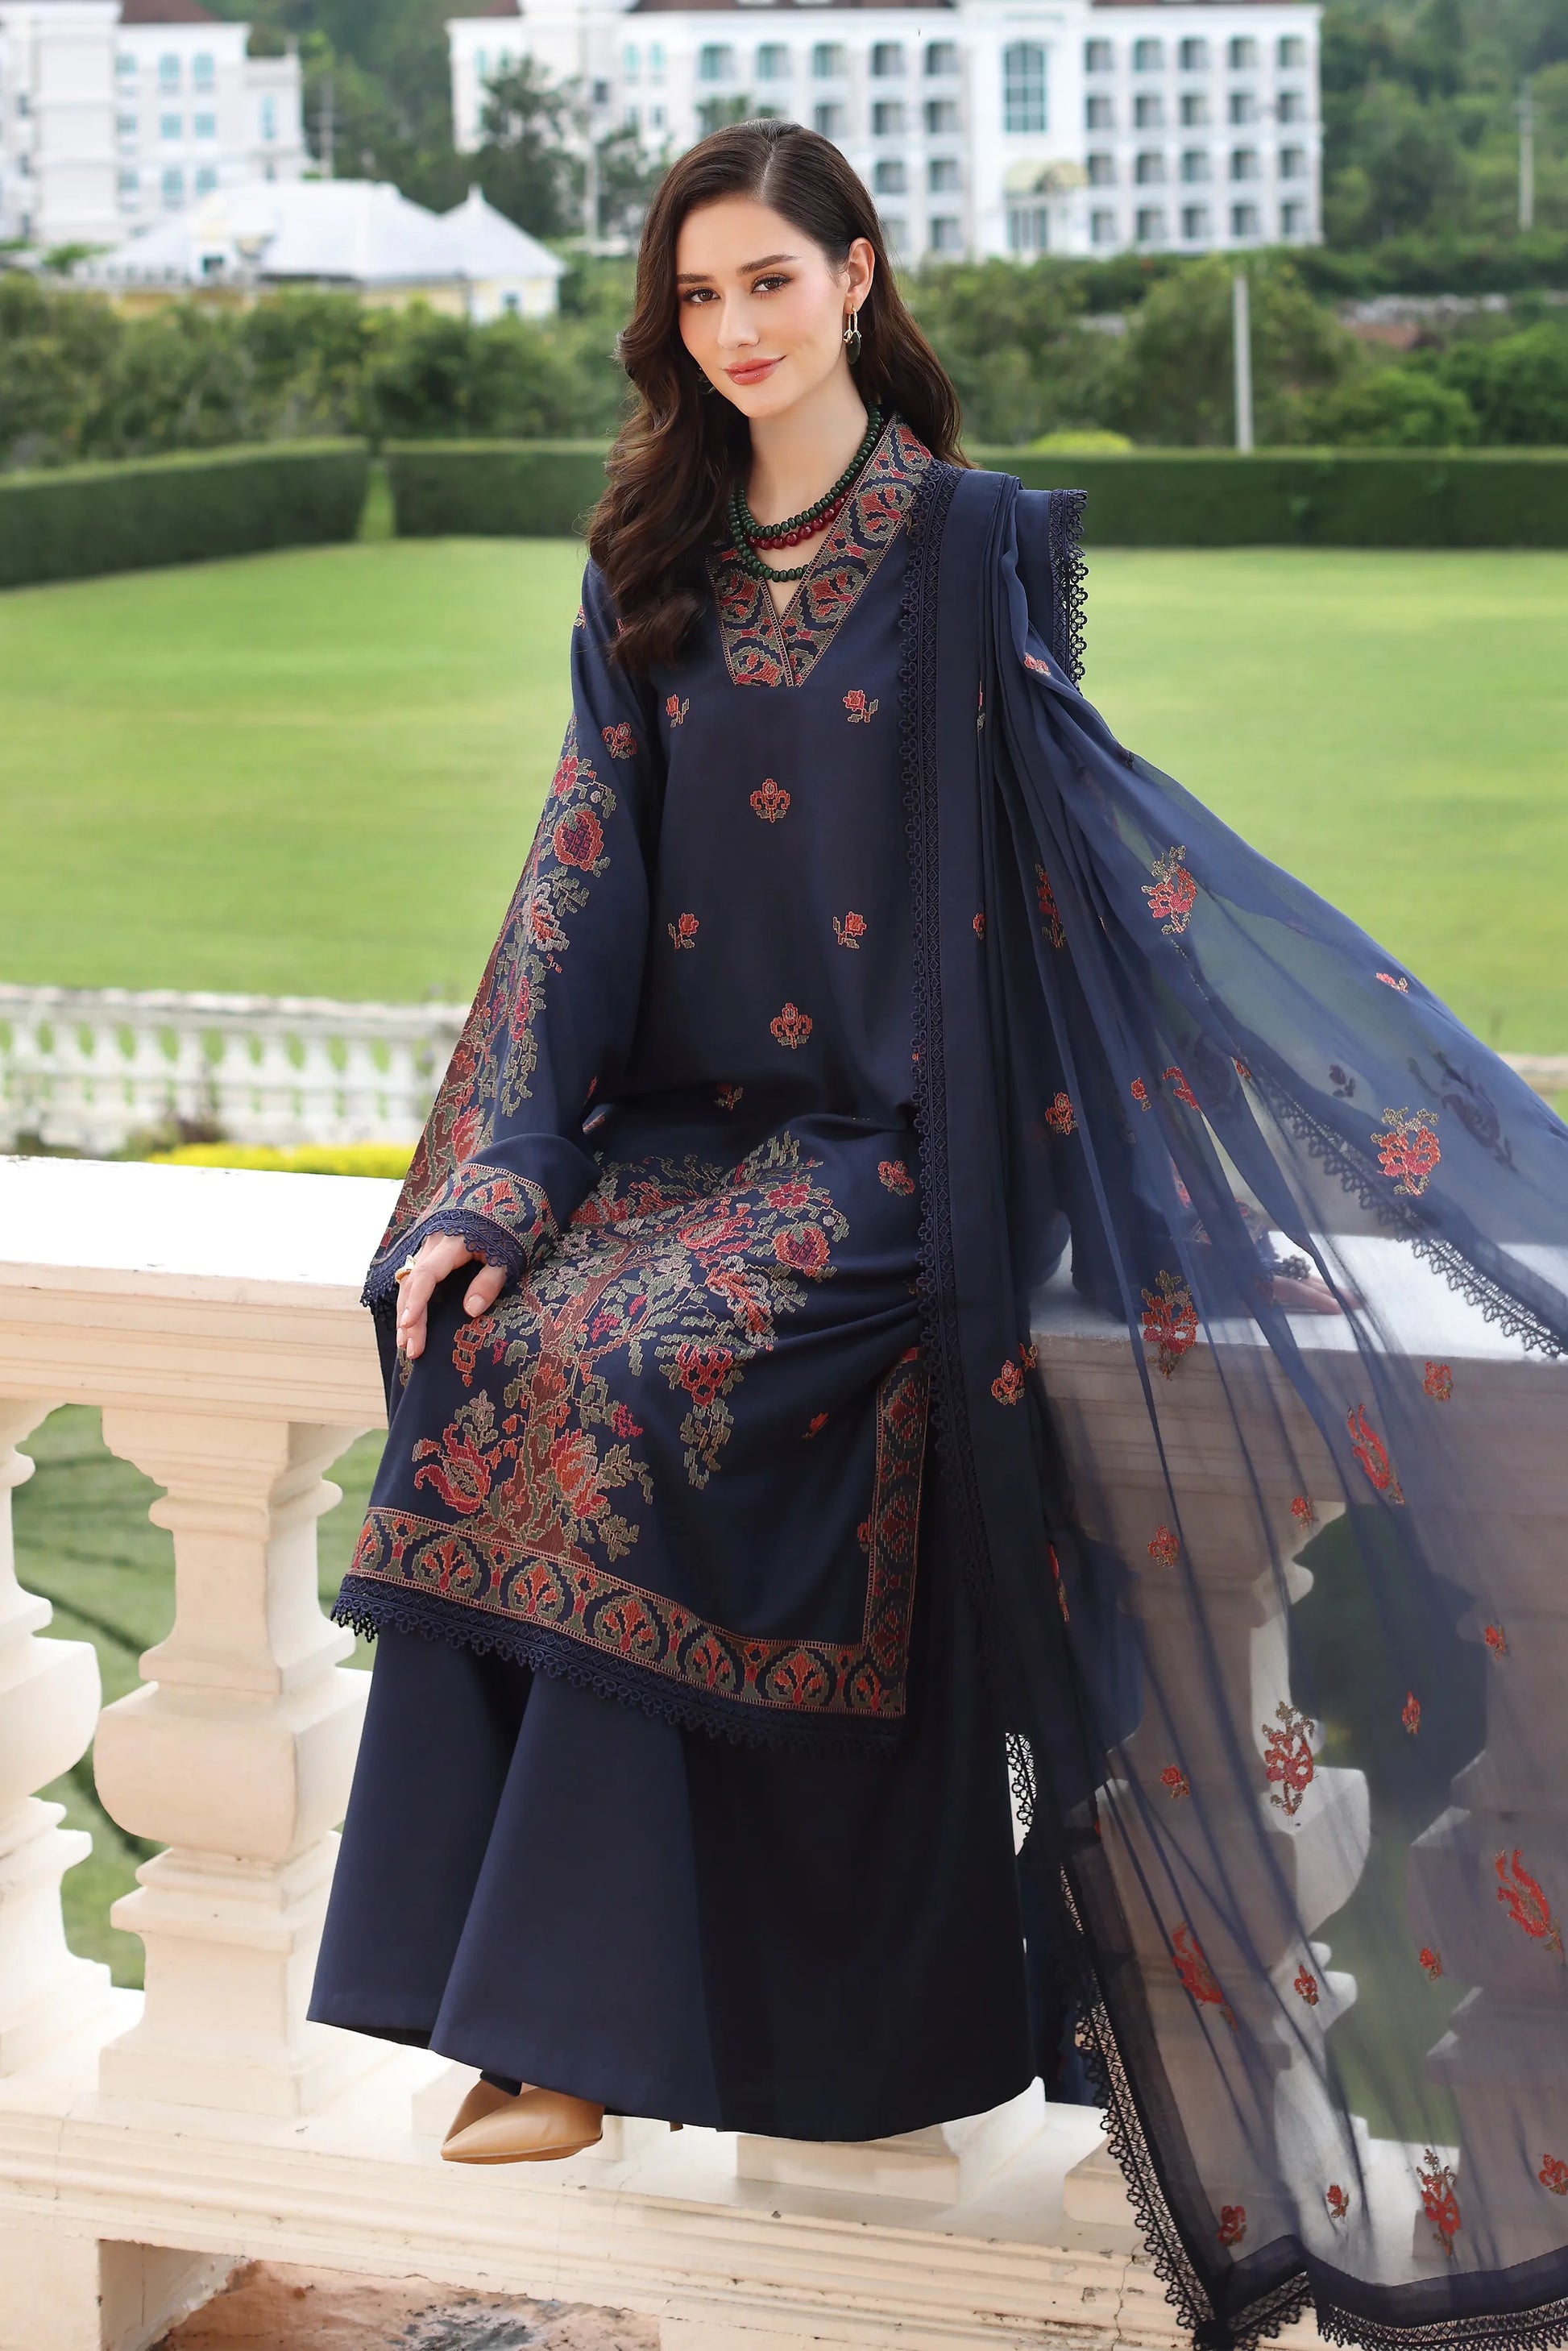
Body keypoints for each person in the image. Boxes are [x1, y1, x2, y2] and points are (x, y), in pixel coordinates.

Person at [311, 122, 1568, 2351]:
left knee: (658, 1364)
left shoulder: (973, 547)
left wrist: (1172, 1164)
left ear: (859, 279)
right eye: (697, 298)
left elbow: (1075, 837)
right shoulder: (646, 565)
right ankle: (518, 2027)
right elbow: (580, 867)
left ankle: (562, 2032)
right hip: (689, 1132)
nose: (736, 330)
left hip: (900, 1138)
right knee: (495, 1337)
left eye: (770, 282)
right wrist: (500, 1177)